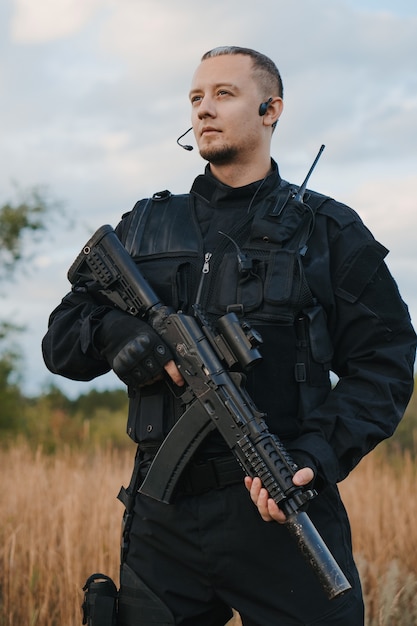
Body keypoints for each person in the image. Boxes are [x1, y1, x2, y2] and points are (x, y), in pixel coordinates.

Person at [42, 46, 416, 625]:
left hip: (282, 508)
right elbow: (61, 338)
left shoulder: (329, 230)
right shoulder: (143, 227)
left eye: (224, 94)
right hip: (164, 516)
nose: (204, 109)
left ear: (272, 109)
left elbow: (386, 363)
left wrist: (315, 456)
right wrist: (113, 333)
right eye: (196, 98)